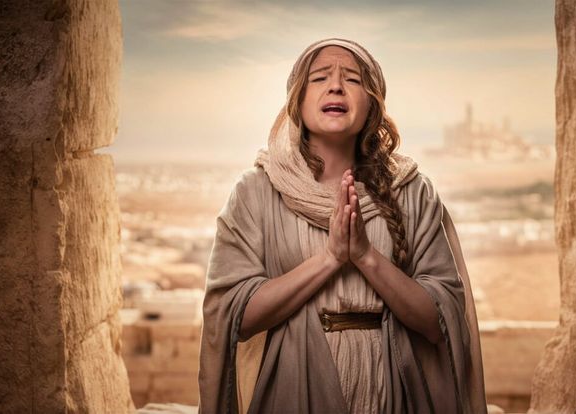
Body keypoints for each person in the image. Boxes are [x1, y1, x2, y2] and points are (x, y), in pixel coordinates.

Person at [198, 38, 486, 414]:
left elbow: (440, 321)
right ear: (297, 101)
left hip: (394, 388)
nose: (335, 85)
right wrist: (331, 258)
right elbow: (234, 314)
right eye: (319, 78)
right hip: (293, 388)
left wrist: (366, 256)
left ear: (372, 105)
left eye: (352, 79)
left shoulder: (412, 191)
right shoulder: (256, 191)